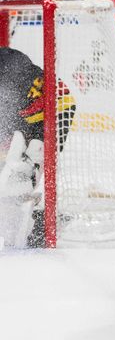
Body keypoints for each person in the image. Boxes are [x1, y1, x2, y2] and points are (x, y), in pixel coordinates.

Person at [0, 47, 75, 248]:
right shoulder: (9, 59)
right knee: (14, 174)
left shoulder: (8, 68)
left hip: (54, 106)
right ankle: (26, 221)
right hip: (37, 109)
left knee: (22, 175)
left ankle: (37, 224)